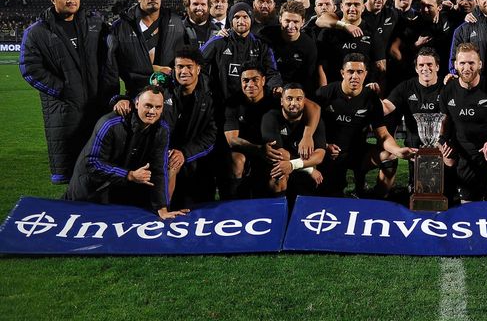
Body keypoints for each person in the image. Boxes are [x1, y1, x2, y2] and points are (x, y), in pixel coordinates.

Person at [20, 0, 115, 184]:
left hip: (97, 104)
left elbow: (110, 57)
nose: (71, 0)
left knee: (99, 162)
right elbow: (29, 68)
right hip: (63, 106)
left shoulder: (94, 24)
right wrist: (63, 90)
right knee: (70, 166)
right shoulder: (37, 32)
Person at [64, 85, 188, 219]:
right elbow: (92, 162)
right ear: (136, 103)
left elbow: (159, 170)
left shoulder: (162, 130)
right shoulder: (110, 124)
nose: (153, 111)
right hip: (91, 190)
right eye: (148, 106)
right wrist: (128, 175)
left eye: (158, 107)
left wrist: (162, 209)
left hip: (121, 192)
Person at [316, 53, 416, 198]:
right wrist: (324, 145)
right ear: (342, 73)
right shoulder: (325, 94)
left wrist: (398, 150)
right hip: (329, 153)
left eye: (359, 72)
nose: (354, 76)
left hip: (357, 154)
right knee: (331, 196)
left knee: (391, 155)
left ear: (365, 74)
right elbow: (308, 128)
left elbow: (382, 134)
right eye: (350, 72)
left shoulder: (371, 98)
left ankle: (377, 199)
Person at [224, 62, 320, 199]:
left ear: (263, 80)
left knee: (281, 162)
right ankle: (235, 204)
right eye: (245, 80)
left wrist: (308, 135)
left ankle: (279, 206)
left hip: (274, 147)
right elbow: (232, 139)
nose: (250, 84)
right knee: (236, 161)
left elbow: (314, 108)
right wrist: (258, 148)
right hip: (248, 148)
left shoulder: (275, 96)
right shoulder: (233, 103)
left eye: (255, 80)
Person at [439, 43, 487, 202]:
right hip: (466, 155)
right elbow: (443, 123)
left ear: (480, 64)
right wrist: (442, 141)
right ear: (455, 65)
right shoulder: (447, 91)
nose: (467, 67)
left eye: (471, 63)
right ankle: (486, 194)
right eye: (462, 63)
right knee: (469, 208)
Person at [109, 0, 189, 104]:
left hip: (169, 93)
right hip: (135, 93)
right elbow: (113, 66)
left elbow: (185, 58)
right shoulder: (120, 27)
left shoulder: (177, 23)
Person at [382, 47, 444, 190]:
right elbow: (386, 107)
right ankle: (413, 187)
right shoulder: (406, 87)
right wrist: (370, 95)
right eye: (421, 65)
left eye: (430, 64)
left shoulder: (447, 86)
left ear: (437, 67)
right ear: (416, 69)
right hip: (414, 146)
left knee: (440, 189)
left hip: (442, 145)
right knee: (419, 190)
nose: (425, 68)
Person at [163, 46, 217, 210]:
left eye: (189, 67)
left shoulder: (211, 95)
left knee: (196, 213)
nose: (184, 71)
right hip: (164, 157)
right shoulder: (163, 90)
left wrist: (185, 153)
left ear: (198, 69)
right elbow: (142, 101)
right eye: (180, 67)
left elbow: (211, 134)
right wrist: (120, 99)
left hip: (196, 162)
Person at [201, 1, 282, 103]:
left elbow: (272, 72)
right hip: (223, 104)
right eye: (237, 17)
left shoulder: (261, 45)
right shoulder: (219, 41)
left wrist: (275, 86)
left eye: (245, 17)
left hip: (253, 104)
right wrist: (207, 88)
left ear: (251, 20)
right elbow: (198, 61)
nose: (241, 21)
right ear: (231, 20)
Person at [261, 83, 326, 203]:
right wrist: (309, 169)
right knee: (278, 176)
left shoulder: (315, 122)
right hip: (281, 165)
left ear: (304, 102)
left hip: (300, 165)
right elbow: (280, 155)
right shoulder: (270, 118)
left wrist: (292, 165)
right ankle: (279, 212)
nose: (294, 103)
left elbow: (320, 155)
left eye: (299, 99)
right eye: (289, 99)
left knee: (315, 185)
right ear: (281, 101)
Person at [316, 0, 385, 87]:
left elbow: (380, 66)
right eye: (348, 4)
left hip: (362, 92)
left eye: (357, 5)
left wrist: (376, 90)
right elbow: (320, 66)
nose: (352, 9)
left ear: (363, 8)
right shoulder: (328, 31)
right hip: (334, 89)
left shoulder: (371, 32)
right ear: (341, 6)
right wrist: (324, 91)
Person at [390, 0, 453, 79]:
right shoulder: (412, 25)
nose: (425, 10)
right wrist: (416, 45)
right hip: (419, 76)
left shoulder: (447, 18)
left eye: (429, 6)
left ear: (439, 7)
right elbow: (398, 51)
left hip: (444, 73)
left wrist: (454, 7)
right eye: (423, 5)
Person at [259, 0, 318, 90]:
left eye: (295, 22)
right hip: (267, 86)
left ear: (302, 22)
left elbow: (308, 77)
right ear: (280, 19)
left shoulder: (309, 46)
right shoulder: (265, 34)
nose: (291, 26)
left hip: (294, 90)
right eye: (287, 21)